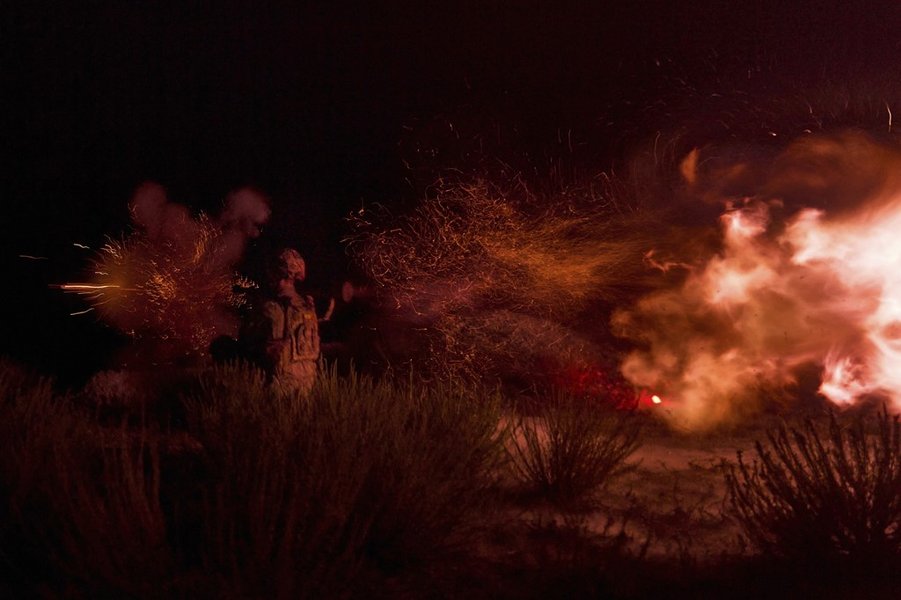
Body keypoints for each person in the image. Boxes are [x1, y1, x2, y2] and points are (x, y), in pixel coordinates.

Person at [242, 248, 330, 394]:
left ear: (279, 272)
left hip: (281, 385)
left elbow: (258, 349)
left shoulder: (271, 308)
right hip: (308, 383)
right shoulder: (307, 307)